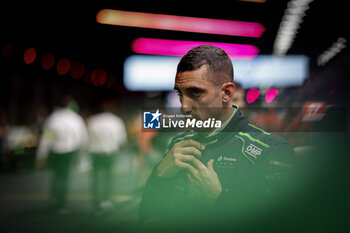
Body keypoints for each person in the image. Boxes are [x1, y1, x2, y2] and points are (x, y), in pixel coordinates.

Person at [139, 45, 295, 233]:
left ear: (227, 93)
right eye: (180, 94)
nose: (184, 108)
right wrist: (159, 175)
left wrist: (219, 198)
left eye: (195, 93)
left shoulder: (272, 149)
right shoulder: (177, 143)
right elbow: (148, 217)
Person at [36, 96, 88, 213]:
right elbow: (82, 137)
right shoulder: (76, 118)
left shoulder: (53, 118)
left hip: (55, 152)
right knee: (64, 177)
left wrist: (41, 155)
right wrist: (82, 154)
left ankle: (54, 200)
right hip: (69, 152)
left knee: (56, 176)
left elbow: (46, 138)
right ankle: (61, 203)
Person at [87, 99, 127, 213]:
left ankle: (96, 202)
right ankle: (106, 200)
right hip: (110, 153)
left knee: (95, 178)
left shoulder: (93, 120)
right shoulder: (116, 121)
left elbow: (87, 138)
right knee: (108, 177)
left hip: (95, 153)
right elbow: (121, 140)